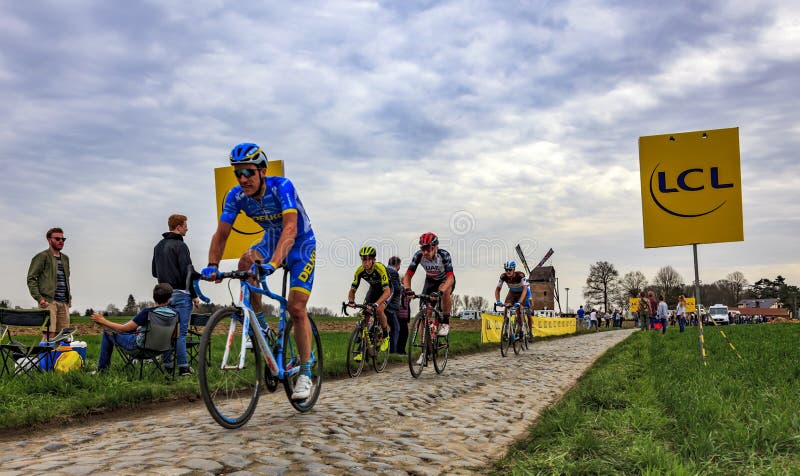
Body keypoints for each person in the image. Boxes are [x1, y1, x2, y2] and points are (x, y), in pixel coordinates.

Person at [201, 142, 316, 400]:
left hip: (300, 243)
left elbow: (290, 229)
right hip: (270, 240)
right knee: (244, 263)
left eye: (248, 172)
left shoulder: (282, 187)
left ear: (262, 171)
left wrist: (274, 264)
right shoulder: (235, 196)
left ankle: (306, 372)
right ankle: (261, 326)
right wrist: (212, 266)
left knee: (296, 308)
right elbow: (222, 234)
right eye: (237, 173)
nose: (243, 179)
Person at [152, 213, 199, 376]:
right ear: (178, 227)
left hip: (163, 294)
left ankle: (167, 365)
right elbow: (188, 273)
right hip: (180, 293)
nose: (187, 228)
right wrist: (194, 295)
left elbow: (153, 272)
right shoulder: (181, 246)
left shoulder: (158, 246)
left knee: (166, 331)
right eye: (185, 225)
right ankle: (184, 367)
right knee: (181, 333)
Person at [92, 283, 178, 372]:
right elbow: (176, 335)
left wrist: (103, 321)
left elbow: (122, 329)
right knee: (135, 328)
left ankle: (102, 370)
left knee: (108, 332)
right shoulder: (175, 314)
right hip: (160, 349)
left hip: (139, 349)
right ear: (168, 300)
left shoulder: (147, 312)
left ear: (154, 297)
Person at [402, 232, 455, 336]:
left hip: (444, 280)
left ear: (435, 247)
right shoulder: (418, 255)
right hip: (430, 281)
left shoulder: (444, 255)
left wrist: (440, 292)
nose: (425, 252)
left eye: (428, 249)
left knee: (445, 291)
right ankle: (425, 348)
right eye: (423, 249)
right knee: (424, 313)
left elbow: (450, 278)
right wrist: (408, 289)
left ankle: (445, 322)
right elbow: (408, 275)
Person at [27, 227, 71, 339]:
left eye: (63, 239)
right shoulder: (42, 257)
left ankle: (58, 357)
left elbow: (66, 279)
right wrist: (39, 298)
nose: (61, 241)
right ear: (49, 240)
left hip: (64, 302)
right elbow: (31, 278)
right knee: (49, 335)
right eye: (57, 238)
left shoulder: (65, 259)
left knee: (63, 336)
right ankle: (44, 357)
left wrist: (68, 299)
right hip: (48, 302)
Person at [347, 246, 391, 355]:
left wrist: (376, 304)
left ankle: (386, 336)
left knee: (379, 310)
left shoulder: (380, 268)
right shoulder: (360, 271)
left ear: (373, 260)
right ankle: (362, 349)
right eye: (363, 259)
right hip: (373, 290)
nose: (365, 262)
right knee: (364, 313)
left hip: (387, 290)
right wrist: (351, 301)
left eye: (367, 259)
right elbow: (352, 289)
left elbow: (387, 292)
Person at [493, 260, 533, 339]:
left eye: (510, 270)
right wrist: (498, 300)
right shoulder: (503, 276)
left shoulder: (520, 275)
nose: (508, 271)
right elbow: (498, 289)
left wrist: (520, 302)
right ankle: (506, 328)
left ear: (514, 269)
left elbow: (525, 289)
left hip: (522, 292)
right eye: (506, 270)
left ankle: (522, 329)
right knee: (506, 307)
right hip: (512, 292)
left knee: (520, 310)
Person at [386, 256, 404, 354]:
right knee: (395, 328)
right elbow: (396, 288)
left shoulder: (385, 270)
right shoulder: (393, 272)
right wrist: (403, 288)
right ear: (397, 265)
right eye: (399, 265)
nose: (399, 267)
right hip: (390, 305)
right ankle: (392, 352)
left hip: (383, 303)